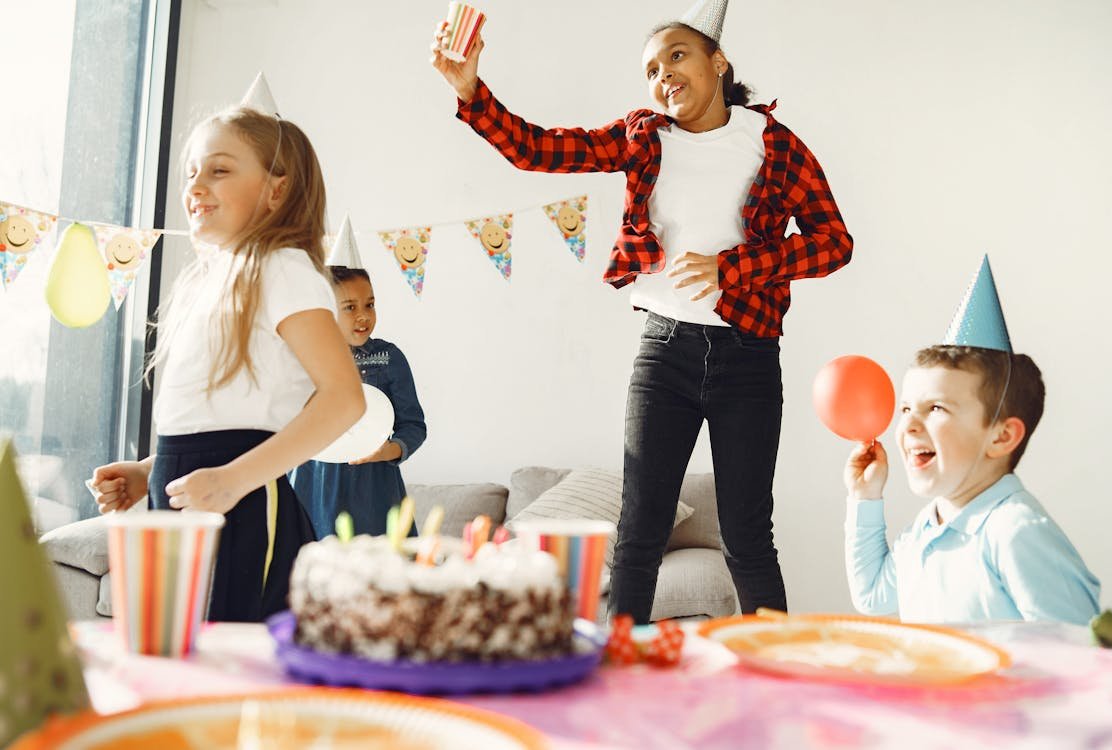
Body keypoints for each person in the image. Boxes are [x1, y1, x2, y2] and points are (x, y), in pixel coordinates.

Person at [431, 0, 853, 622]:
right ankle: (620, 664)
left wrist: (730, 268)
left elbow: (833, 243)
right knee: (639, 531)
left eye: (677, 57)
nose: (664, 76)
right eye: (652, 69)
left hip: (749, 357)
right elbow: (539, 150)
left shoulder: (772, 145)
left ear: (718, 61)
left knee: (747, 535)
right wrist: (471, 91)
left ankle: (778, 669)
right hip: (665, 354)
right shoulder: (642, 137)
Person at [89, 106, 364, 622]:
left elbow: (344, 398)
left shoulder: (283, 268)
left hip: (242, 506)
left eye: (219, 170)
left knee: (231, 674)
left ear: (276, 190)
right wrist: (151, 471)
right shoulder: (206, 282)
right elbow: (222, 413)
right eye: (190, 172)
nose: (195, 185)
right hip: (189, 497)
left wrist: (233, 482)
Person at [844, 261, 1100, 625]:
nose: (909, 426)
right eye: (905, 408)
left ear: (1001, 436)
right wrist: (865, 498)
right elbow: (872, 595)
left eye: (935, 407)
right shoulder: (929, 526)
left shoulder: (1016, 533)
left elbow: (1082, 656)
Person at [290, 265, 427, 539]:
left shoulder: (388, 358)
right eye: (350, 307)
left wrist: (389, 451)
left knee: (380, 572)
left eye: (370, 304)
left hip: (372, 487)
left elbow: (413, 425)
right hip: (312, 483)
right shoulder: (298, 357)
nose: (363, 316)